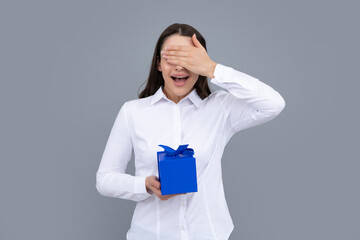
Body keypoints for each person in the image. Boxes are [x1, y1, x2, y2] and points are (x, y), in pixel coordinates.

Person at [96, 23, 285, 240]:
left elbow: (273, 104)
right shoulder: (132, 112)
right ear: (158, 64)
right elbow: (105, 179)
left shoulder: (221, 107)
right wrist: (144, 185)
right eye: (172, 58)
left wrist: (214, 69)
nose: (180, 67)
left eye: (189, 59)